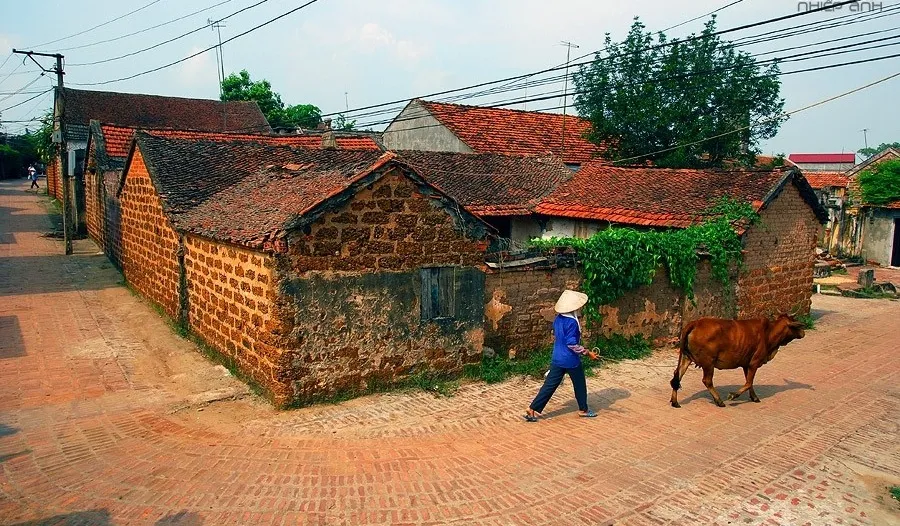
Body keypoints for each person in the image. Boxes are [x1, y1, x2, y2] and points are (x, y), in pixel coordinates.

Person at [524, 290, 598, 422]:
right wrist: (587, 352)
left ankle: (532, 409)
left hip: (557, 358)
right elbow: (572, 344)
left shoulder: (558, 319)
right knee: (580, 384)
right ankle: (583, 409)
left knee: (549, 385)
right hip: (570, 360)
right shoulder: (572, 323)